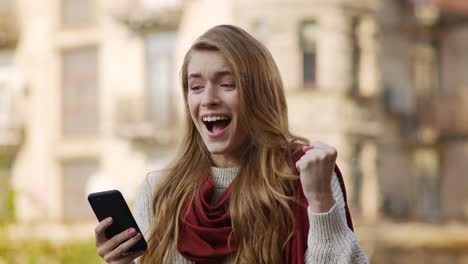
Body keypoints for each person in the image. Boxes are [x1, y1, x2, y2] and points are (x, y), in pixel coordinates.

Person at [94, 24, 369, 264]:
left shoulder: (305, 176)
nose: (208, 99)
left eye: (226, 84)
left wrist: (321, 203)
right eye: (196, 87)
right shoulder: (158, 193)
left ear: (259, 95)